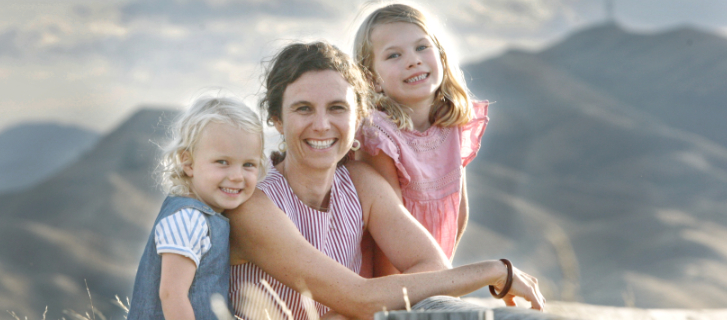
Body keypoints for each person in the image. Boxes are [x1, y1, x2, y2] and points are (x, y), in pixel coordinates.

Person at [226, 41, 543, 320]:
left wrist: (347, 313)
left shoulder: (360, 183)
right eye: (303, 109)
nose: (321, 125)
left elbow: (431, 264)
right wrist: (493, 271)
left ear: (358, 114)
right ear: (277, 120)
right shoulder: (252, 202)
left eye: (337, 108)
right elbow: (360, 299)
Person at [353, 3, 489, 276]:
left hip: (430, 272)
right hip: (387, 277)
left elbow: (457, 212)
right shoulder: (377, 136)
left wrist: (439, 280)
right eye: (393, 55)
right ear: (372, 79)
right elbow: (387, 234)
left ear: (441, 55)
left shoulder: (451, 124)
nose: (413, 60)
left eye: (422, 47)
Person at [128, 96, 266, 320]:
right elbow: (172, 294)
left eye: (248, 164)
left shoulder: (207, 216)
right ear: (188, 163)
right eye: (222, 162)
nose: (237, 176)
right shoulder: (188, 219)